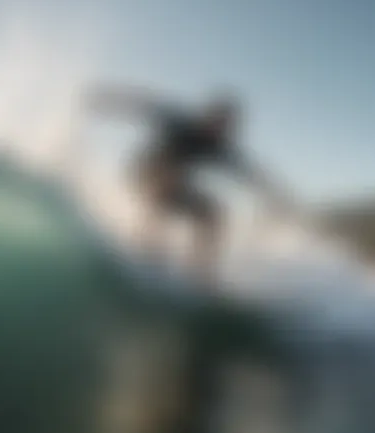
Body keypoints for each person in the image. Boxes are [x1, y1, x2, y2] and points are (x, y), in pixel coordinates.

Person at [83, 84, 301, 284]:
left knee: (213, 213)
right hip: (144, 172)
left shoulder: (218, 147)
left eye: (226, 127)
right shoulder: (181, 122)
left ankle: (199, 272)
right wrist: (106, 100)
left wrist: (277, 198)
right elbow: (143, 106)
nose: (220, 130)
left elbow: (249, 173)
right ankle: (145, 246)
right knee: (168, 180)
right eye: (218, 121)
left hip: (173, 187)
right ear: (208, 115)